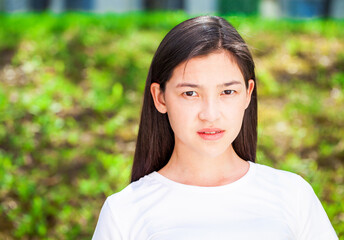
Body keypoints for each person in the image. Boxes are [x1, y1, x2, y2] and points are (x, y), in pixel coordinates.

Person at [92, 15, 338, 240]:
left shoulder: (292, 196)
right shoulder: (124, 211)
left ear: (247, 94)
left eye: (227, 92)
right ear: (160, 97)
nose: (210, 114)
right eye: (190, 93)